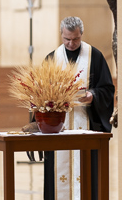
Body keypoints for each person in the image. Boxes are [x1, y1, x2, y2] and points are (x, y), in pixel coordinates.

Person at [43, 16, 114, 200]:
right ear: (61, 35)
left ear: (81, 34)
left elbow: (107, 89)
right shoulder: (51, 59)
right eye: (67, 39)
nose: (71, 43)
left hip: (87, 125)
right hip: (57, 127)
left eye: (75, 39)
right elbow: (39, 93)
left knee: (87, 176)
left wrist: (93, 95)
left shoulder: (95, 56)